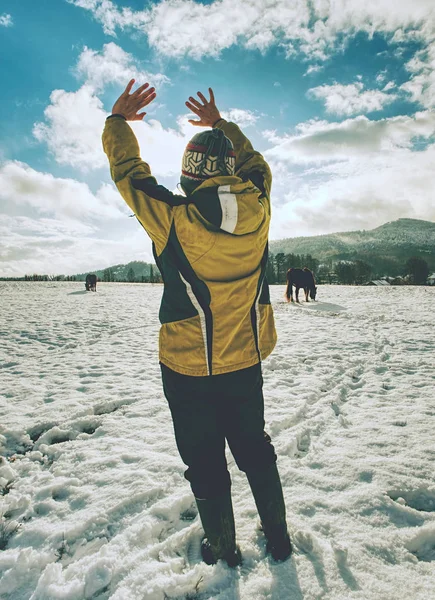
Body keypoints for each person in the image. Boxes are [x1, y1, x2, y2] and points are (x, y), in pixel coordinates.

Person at [102, 80, 292, 567]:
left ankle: (224, 548)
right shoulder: (261, 202)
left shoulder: (172, 217)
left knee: (205, 459)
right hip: (245, 357)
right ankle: (279, 538)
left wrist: (117, 121)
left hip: (188, 366)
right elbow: (256, 164)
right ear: (232, 170)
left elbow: (128, 173)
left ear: (188, 177)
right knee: (254, 446)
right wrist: (220, 125)